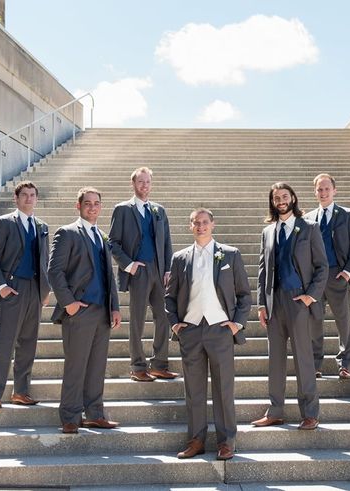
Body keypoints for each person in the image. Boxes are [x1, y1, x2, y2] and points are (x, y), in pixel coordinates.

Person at [165, 208, 251, 461]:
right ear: (190, 226)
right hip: (190, 330)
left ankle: (226, 441)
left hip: (220, 329)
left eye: (205, 222)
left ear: (212, 225)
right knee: (194, 390)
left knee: (224, 388)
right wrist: (174, 323)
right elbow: (169, 297)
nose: (201, 226)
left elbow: (244, 295)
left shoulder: (230, 255)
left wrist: (237, 324)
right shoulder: (180, 258)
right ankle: (196, 440)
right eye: (196, 223)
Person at [251, 182, 328, 430]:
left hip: (299, 300)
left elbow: (322, 267)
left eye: (285, 196)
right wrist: (262, 303)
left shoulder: (309, 228)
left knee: (304, 359)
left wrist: (310, 296)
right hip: (275, 302)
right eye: (276, 198)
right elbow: (263, 270)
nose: (281, 201)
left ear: (293, 198)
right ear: (272, 202)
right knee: (275, 360)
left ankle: (310, 413)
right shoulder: (268, 231)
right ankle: (275, 410)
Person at [48, 187, 122, 434]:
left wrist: (114, 306)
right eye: (87, 203)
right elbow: (54, 271)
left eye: (96, 203)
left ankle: (94, 414)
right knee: (76, 365)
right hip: (78, 311)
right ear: (77, 206)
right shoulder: (67, 233)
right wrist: (68, 303)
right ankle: (70, 416)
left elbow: (108, 274)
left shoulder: (101, 236)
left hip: (102, 312)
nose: (92, 207)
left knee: (97, 366)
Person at [0, 181, 49, 409]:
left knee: (28, 343)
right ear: (16, 198)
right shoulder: (4, 223)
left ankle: (21, 391)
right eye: (24, 195)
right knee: (4, 343)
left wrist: (45, 290)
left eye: (33, 195)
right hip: (12, 289)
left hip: (34, 290)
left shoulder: (42, 226)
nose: (29, 199)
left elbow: (45, 262)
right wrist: (1, 287)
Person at [109, 167, 177, 382]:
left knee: (164, 317)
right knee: (137, 320)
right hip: (138, 272)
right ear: (133, 184)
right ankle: (138, 367)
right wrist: (129, 265)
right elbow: (112, 242)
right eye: (140, 182)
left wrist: (168, 269)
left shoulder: (159, 210)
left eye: (147, 182)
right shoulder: (122, 209)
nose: (144, 186)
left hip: (159, 271)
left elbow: (166, 242)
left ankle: (159, 365)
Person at [303, 174, 350, 379]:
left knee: (343, 320)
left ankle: (345, 363)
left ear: (334, 190)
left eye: (327, 189)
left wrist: (347, 272)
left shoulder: (347, 215)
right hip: (315, 278)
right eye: (319, 189)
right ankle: (315, 364)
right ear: (315, 192)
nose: (323, 193)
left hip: (338, 275)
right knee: (314, 321)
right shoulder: (307, 218)